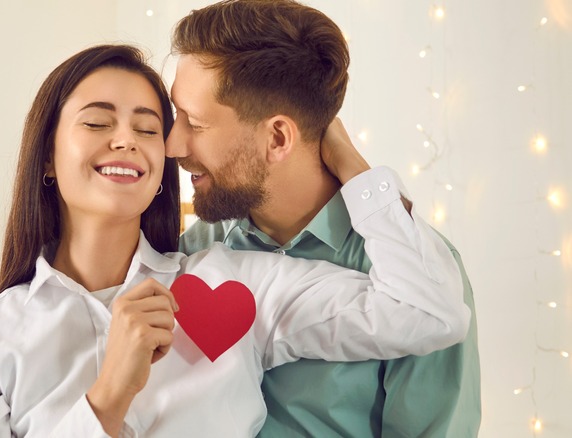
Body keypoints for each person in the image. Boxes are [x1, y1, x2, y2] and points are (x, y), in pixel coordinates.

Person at [0, 44, 470, 437]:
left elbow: (431, 311)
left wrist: (351, 166)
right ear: (46, 157)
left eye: (147, 129)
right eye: (97, 123)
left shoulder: (234, 282)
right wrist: (107, 399)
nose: (126, 139)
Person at [168, 1, 481, 437]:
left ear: (278, 137)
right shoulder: (192, 252)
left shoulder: (417, 271)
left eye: (195, 124)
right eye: (175, 116)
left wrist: (356, 170)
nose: (172, 144)